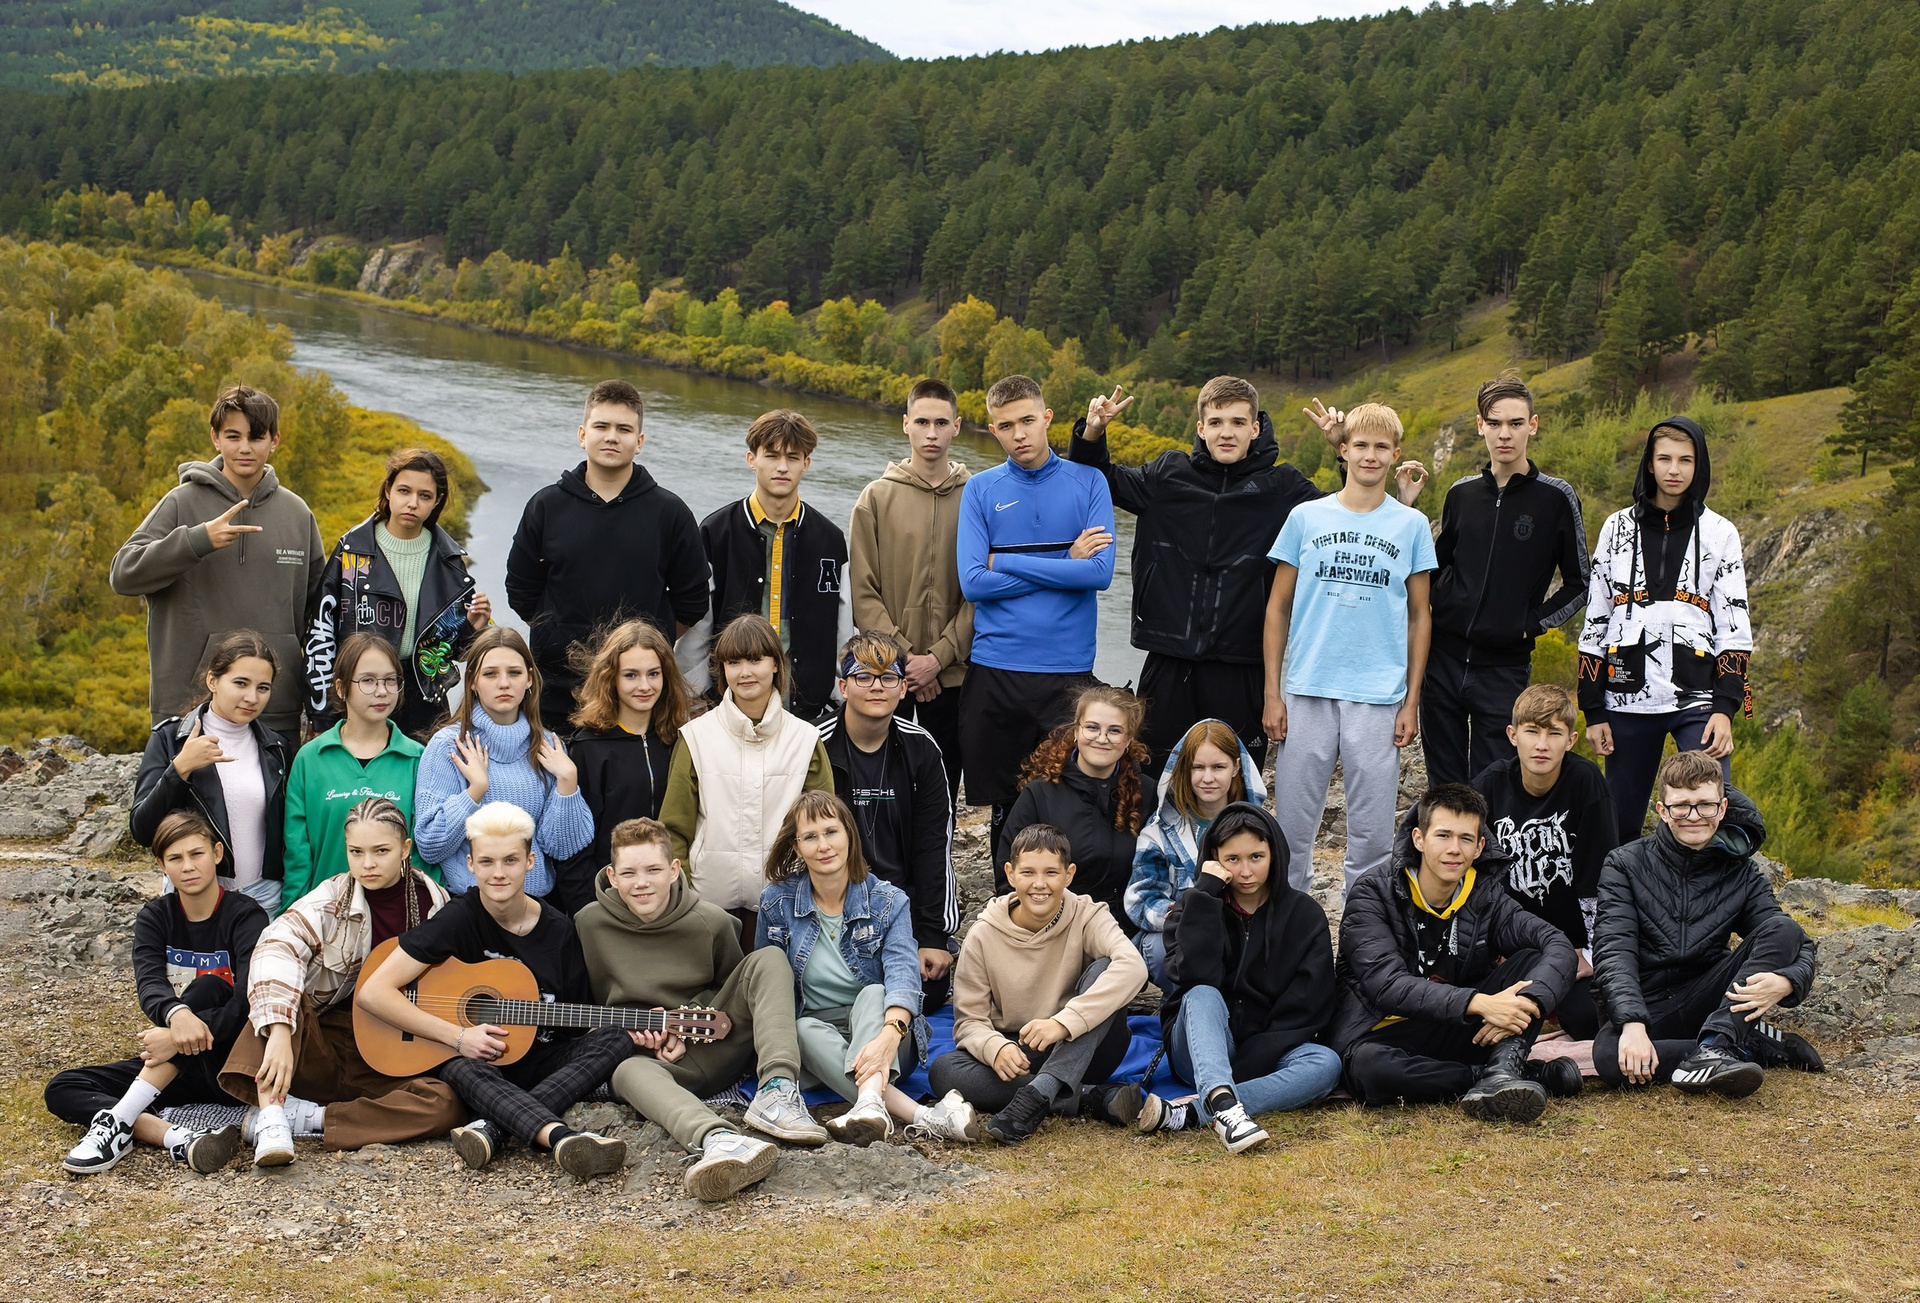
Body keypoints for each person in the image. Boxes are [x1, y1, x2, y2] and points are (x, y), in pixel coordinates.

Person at [1071, 377, 1427, 773]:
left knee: (1236, 781)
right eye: (1217, 422)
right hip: (1169, 656)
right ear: (1201, 428)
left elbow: (1349, 518)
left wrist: (1343, 451)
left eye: (1239, 422)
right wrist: (1092, 432)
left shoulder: (1283, 487)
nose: (1227, 432)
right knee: (1152, 776)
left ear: (1255, 428)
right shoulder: (1166, 476)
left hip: (1241, 663)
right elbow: (1094, 481)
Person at [354, 802, 631, 1179]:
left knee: (615, 1037)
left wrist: (643, 1032)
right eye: (486, 862)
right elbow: (373, 993)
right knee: (459, 1068)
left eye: (510, 861)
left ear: (530, 862)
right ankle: (561, 1137)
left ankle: (494, 1127)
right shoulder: (459, 917)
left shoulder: (560, 931)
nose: (498, 874)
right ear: (470, 864)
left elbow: (577, 1024)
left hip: (540, 1064)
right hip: (479, 1066)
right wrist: (458, 1036)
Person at [577, 817, 833, 1202]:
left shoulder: (710, 920)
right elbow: (588, 1006)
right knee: (624, 1071)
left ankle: (778, 1092)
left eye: (653, 870)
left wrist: (684, 1022)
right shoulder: (587, 925)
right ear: (612, 876)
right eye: (629, 873)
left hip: (715, 1044)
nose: (641, 882)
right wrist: (634, 1041)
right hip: (653, 1065)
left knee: (768, 959)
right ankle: (719, 1140)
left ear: (674, 869)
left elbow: (732, 989)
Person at [218, 798, 461, 1165]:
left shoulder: (435, 903)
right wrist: (282, 1032)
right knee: (279, 1000)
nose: (368, 863)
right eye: (356, 852)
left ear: (405, 848)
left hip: (390, 1047)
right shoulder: (329, 900)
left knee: (447, 1102)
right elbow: (275, 945)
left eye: (381, 851)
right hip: (323, 1040)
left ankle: (313, 1119)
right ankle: (271, 1116)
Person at [1263, 402, 1436, 897]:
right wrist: (1272, 693)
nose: (1370, 455)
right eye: (1360, 445)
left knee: (1373, 834)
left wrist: (1411, 701)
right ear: (1344, 450)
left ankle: (1364, 932)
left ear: (1395, 454)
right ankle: (1288, 918)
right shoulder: (1306, 518)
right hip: (1308, 687)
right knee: (1292, 827)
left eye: (1382, 447)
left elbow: (1420, 615)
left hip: (1378, 695)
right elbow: (1277, 608)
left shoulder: (1411, 526)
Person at [1333, 784, 1580, 1121]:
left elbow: (1557, 944)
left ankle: (1503, 1068)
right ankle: (1501, 1077)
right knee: (1371, 1070)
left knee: (1535, 958)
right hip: (1384, 1032)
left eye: (1465, 839)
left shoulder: (1485, 896)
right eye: (1443, 836)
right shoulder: (1373, 893)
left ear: (1480, 847)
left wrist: (1530, 1002)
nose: (1454, 850)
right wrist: (1479, 1003)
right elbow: (1386, 985)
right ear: (1419, 839)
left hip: (1458, 1027)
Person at [1591, 752, 1822, 1096]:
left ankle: (1717, 1044)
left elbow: (1794, 940)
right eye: (1681, 806)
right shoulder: (1624, 864)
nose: (1694, 816)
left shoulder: (1741, 872)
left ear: (1723, 808)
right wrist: (1633, 1024)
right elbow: (1614, 949)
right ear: (1662, 810)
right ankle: (1748, 1046)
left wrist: (1788, 981)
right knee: (1610, 1056)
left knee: (1784, 928)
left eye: (1705, 805)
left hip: (1712, 995)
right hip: (1650, 1002)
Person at [48, 811, 264, 1175]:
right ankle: (177, 1137)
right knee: (63, 1087)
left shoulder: (246, 916)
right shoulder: (155, 916)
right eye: (175, 858)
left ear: (216, 853)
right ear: (161, 865)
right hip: (177, 1065)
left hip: (232, 1063)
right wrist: (176, 1018)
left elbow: (246, 1003)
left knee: (210, 985)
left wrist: (175, 1038)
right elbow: (149, 983)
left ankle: (119, 1124)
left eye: (196, 854)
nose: (188, 867)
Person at [758, 792, 979, 1146]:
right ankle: (919, 1115)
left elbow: (903, 976)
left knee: (875, 991)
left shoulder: (888, 901)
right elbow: (767, 985)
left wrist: (889, 1037)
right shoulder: (776, 901)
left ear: (849, 834)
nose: (823, 845)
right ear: (797, 847)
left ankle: (872, 1102)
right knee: (796, 1027)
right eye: (810, 837)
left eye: (831, 832)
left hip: (886, 1033)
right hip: (816, 1040)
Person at [111, 383, 325, 741]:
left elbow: (320, 615)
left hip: (275, 707)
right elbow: (124, 574)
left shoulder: (297, 513)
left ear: (275, 440)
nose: (244, 447)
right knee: (187, 798)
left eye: (256, 437)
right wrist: (196, 541)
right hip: (189, 705)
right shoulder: (182, 502)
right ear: (215, 438)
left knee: (270, 799)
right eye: (233, 435)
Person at [957, 374, 1116, 849]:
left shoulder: (1088, 482)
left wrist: (1005, 560)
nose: (1019, 434)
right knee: (1006, 808)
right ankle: (1009, 909)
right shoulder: (981, 490)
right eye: (1006, 426)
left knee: (1067, 800)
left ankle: (1068, 912)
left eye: (1028, 420)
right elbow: (972, 583)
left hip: (1066, 674)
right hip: (996, 671)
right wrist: (1065, 562)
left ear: (1047, 417)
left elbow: (1099, 574)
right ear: (993, 430)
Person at [1578, 415, 1752, 839]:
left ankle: (1711, 902)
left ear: (1699, 466)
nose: (1674, 470)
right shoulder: (1616, 527)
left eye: (1686, 460)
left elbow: (1734, 624)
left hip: (1697, 698)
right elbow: (1596, 617)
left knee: (1708, 810)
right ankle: (1620, 904)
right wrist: (1594, 709)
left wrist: (1725, 709)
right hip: (1625, 696)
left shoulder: (1720, 533)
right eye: (1665, 459)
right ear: (1650, 464)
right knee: (1619, 823)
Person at [1138, 803, 1342, 1153]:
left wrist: (1251, 1058)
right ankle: (1222, 1102)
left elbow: (1309, 1004)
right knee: (1202, 994)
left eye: (1257, 857)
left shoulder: (1304, 915)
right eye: (1233, 859)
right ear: (1214, 858)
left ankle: (1203, 1110)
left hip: (1271, 1050)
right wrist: (1205, 894)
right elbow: (1191, 978)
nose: (1246, 871)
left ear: (1274, 854)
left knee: (1325, 1064)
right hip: (1200, 1050)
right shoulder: (1193, 906)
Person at [927, 823, 1148, 1144]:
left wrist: (1063, 1023)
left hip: (1085, 1046)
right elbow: (970, 1022)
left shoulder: (1088, 915)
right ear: (1010, 873)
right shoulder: (983, 934)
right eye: (1028, 872)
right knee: (944, 1071)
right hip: (1021, 1052)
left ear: (1069, 875)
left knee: (1106, 967)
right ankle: (1087, 1097)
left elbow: (1133, 967)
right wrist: (995, 1047)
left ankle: (1040, 1094)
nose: (1039, 884)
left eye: (1051, 873)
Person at [506, 378, 707, 723]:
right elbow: (521, 590)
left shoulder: (670, 513)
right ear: (583, 434)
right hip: (556, 690)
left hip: (638, 695)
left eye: (624, 429)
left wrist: (646, 646)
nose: (612, 436)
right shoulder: (546, 506)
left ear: (639, 441)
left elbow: (692, 601)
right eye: (601, 426)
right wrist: (556, 632)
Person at [1423, 376, 1589, 784]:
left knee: (1491, 780)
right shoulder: (1461, 494)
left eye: (1515, 423)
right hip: (1442, 660)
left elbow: (1581, 582)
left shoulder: (1555, 497)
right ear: (1480, 425)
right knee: (1442, 783)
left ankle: (1486, 850)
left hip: (1503, 668)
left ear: (1533, 425)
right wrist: (1444, 604)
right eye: (1495, 423)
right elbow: (1436, 567)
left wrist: (1529, 624)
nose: (1505, 434)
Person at [659, 615, 833, 943]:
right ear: (722, 669)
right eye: (733, 662)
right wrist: (680, 901)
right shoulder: (696, 736)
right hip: (707, 908)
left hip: (786, 906)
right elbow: (674, 830)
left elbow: (824, 830)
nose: (745, 672)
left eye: (755, 660)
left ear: (776, 665)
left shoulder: (805, 739)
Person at [303, 446, 491, 738]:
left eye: (424, 496)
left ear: (436, 501)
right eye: (404, 490)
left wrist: (471, 628)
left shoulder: (449, 561)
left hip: (423, 705)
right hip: (357, 696)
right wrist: (322, 712)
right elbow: (320, 635)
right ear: (388, 490)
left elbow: (449, 651)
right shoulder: (352, 552)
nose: (412, 503)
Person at [817, 632, 960, 1010]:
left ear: (902, 689)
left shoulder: (922, 748)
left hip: (899, 910)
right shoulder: (813, 743)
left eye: (888, 678)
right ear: (844, 686)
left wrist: (932, 936)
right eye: (864, 677)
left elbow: (935, 846)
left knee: (924, 996)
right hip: (829, 906)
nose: (876, 687)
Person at [847, 376, 972, 795]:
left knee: (941, 787)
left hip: (953, 677)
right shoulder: (875, 498)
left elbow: (984, 591)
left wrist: (937, 658)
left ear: (957, 426)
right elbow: (863, 591)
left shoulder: (976, 498)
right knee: (880, 786)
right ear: (905, 424)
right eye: (922, 422)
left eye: (941, 422)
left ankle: (937, 863)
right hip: (886, 674)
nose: (931, 433)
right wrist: (906, 659)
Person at [1470, 683, 1618, 1039]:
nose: (1541, 744)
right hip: (1510, 943)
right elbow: (1471, 875)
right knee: (1475, 1016)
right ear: (1512, 735)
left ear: (1571, 739)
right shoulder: (1489, 785)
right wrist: (1491, 951)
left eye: (1554, 733)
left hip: (1572, 945)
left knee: (1587, 1019)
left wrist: (1592, 956)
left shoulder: (1585, 783)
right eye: (1532, 731)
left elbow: (1602, 880)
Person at [696, 408, 851, 723]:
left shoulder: (831, 539)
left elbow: (842, 623)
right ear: (751, 459)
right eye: (772, 455)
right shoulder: (716, 532)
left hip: (806, 709)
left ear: (806, 464)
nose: (782, 467)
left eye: (793, 457)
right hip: (728, 705)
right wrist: (695, 692)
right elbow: (700, 623)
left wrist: (837, 692)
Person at [413, 627, 590, 898]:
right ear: (472, 681)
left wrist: (568, 783)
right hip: (469, 906)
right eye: (490, 674)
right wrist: (475, 791)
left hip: (536, 905)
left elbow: (561, 848)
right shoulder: (448, 746)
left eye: (515, 673)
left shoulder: (547, 747)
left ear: (530, 679)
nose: (504, 683)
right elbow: (430, 844)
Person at [130, 629, 292, 917]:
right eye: (240, 683)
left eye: (263, 688)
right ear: (213, 681)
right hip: (192, 895)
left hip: (263, 898)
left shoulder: (276, 747)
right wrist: (180, 768)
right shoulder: (170, 739)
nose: (251, 697)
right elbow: (142, 829)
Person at [553, 619, 699, 915]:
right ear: (612, 679)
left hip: (671, 900)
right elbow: (577, 844)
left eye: (653, 674)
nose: (644, 686)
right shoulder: (588, 747)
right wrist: (587, 912)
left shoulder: (680, 739)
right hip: (609, 903)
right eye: (631, 675)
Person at [281, 633, 430, 907]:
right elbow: (297, 854)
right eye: (368, 681)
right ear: (340, 687)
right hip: (326, 912)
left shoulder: (417, 758)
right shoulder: (311, 758)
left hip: (398, 916)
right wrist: (291, 913)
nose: (382, 691)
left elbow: (422, 850)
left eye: (390, 680)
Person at [1124, 717, 1265, 990]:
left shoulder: (1259, 828)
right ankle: (1179, 1003)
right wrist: (1183, 917)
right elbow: (1141, 897)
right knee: (1156, 945)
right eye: (1197, 768)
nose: (1208, 778)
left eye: (1218, 767)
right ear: (1183, 769)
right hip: (1181, 937)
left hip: (1241, 935)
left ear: (1237, 767)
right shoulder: (1159, 831)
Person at [995, 685, 1149, 923]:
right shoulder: (1040, 794)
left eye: (1115, 731)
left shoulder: (1148, 793)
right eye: (1092, 727)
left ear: (1128, 739)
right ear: (1076, 731)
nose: (1102, 738)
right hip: (1054, 925)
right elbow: (1009, 877)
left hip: (1126, 927)